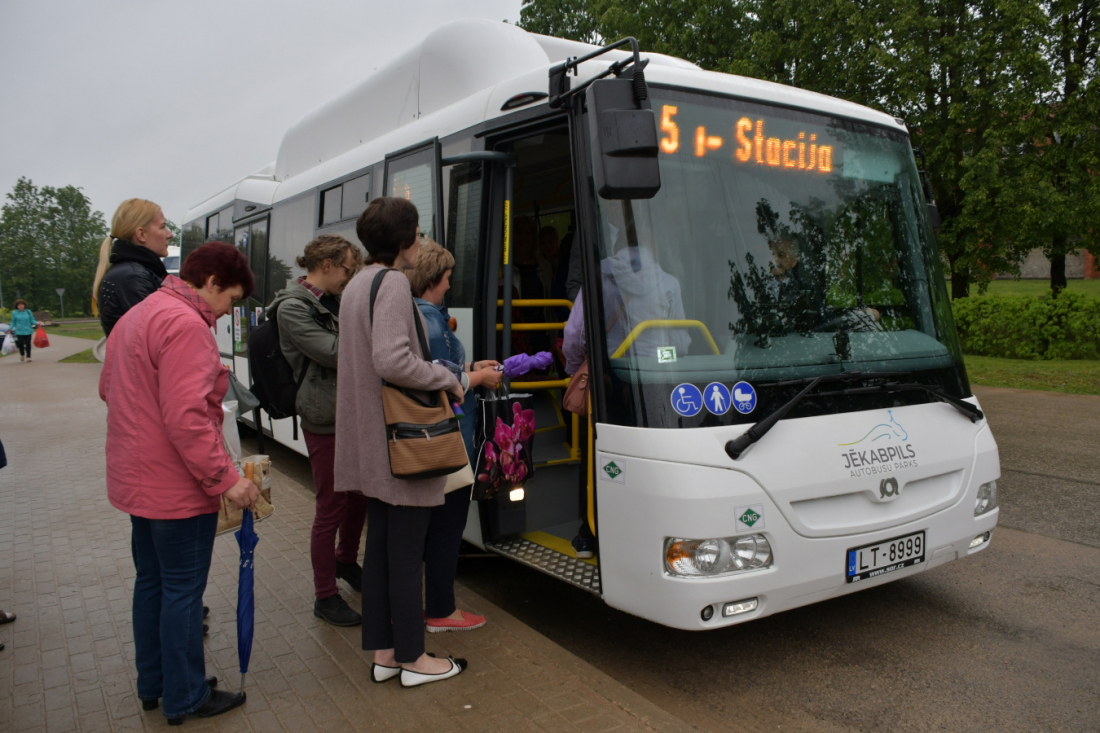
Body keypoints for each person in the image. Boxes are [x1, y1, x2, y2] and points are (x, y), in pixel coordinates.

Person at [99, 242, 259, 724]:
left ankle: (156, 682)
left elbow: (108, 387)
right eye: (230, 299)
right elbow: (188, 417)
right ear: (211, 283)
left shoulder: (139, 314)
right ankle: (187, 694)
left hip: (137, 480)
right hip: (177, 487)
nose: (228, 312)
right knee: (183, 591)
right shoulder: (187, 324)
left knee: (152, 582)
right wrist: (225, 479)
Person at [335, 197, 469, 688]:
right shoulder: (391, 284)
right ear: (402, 239)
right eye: (417, 234)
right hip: (401, 444)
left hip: (371, 441)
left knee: (384, 553)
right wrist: (443, 376)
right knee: (407, 553)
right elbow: (392, 359)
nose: (421, 242)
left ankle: (386, 653)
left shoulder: (356, 285)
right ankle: (414, 658)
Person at [562, 203, 690, 558]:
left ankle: (589, 533)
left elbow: (574, 334)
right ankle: (639, 532)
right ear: (652, 245)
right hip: (654, 380)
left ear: (616, 247)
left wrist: (578, 368)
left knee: (595, 452)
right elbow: (681, 341)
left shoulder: (597, 278)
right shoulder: (668, 283)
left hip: (607, 380)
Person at [269, 235, 366, 627]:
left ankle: (346, 562)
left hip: (351, 411)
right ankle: (324, 596)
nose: (350, 277)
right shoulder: (292, 307)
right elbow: (334, 351)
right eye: (347, 268)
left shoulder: (333, 300)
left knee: (359, 497)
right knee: (331, 505)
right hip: (323, 416)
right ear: (325, 264)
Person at [407, 241, 502, 633]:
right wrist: (479, 377)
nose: (449, 286)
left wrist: (470, 366)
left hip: (426, 438)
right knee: (447, 528)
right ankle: (441, 611)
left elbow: (438, 367)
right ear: (433, 279)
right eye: (446, 279)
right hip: (448, 440)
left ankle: (419, 606)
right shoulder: (430, 317)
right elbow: (441, 378)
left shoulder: (413, 313)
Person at [96, 198, 174, 337]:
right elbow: (159, 339)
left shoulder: (133, 273)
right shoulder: (133, 278)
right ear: (141, 234)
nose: (170, 234)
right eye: (162, 227)